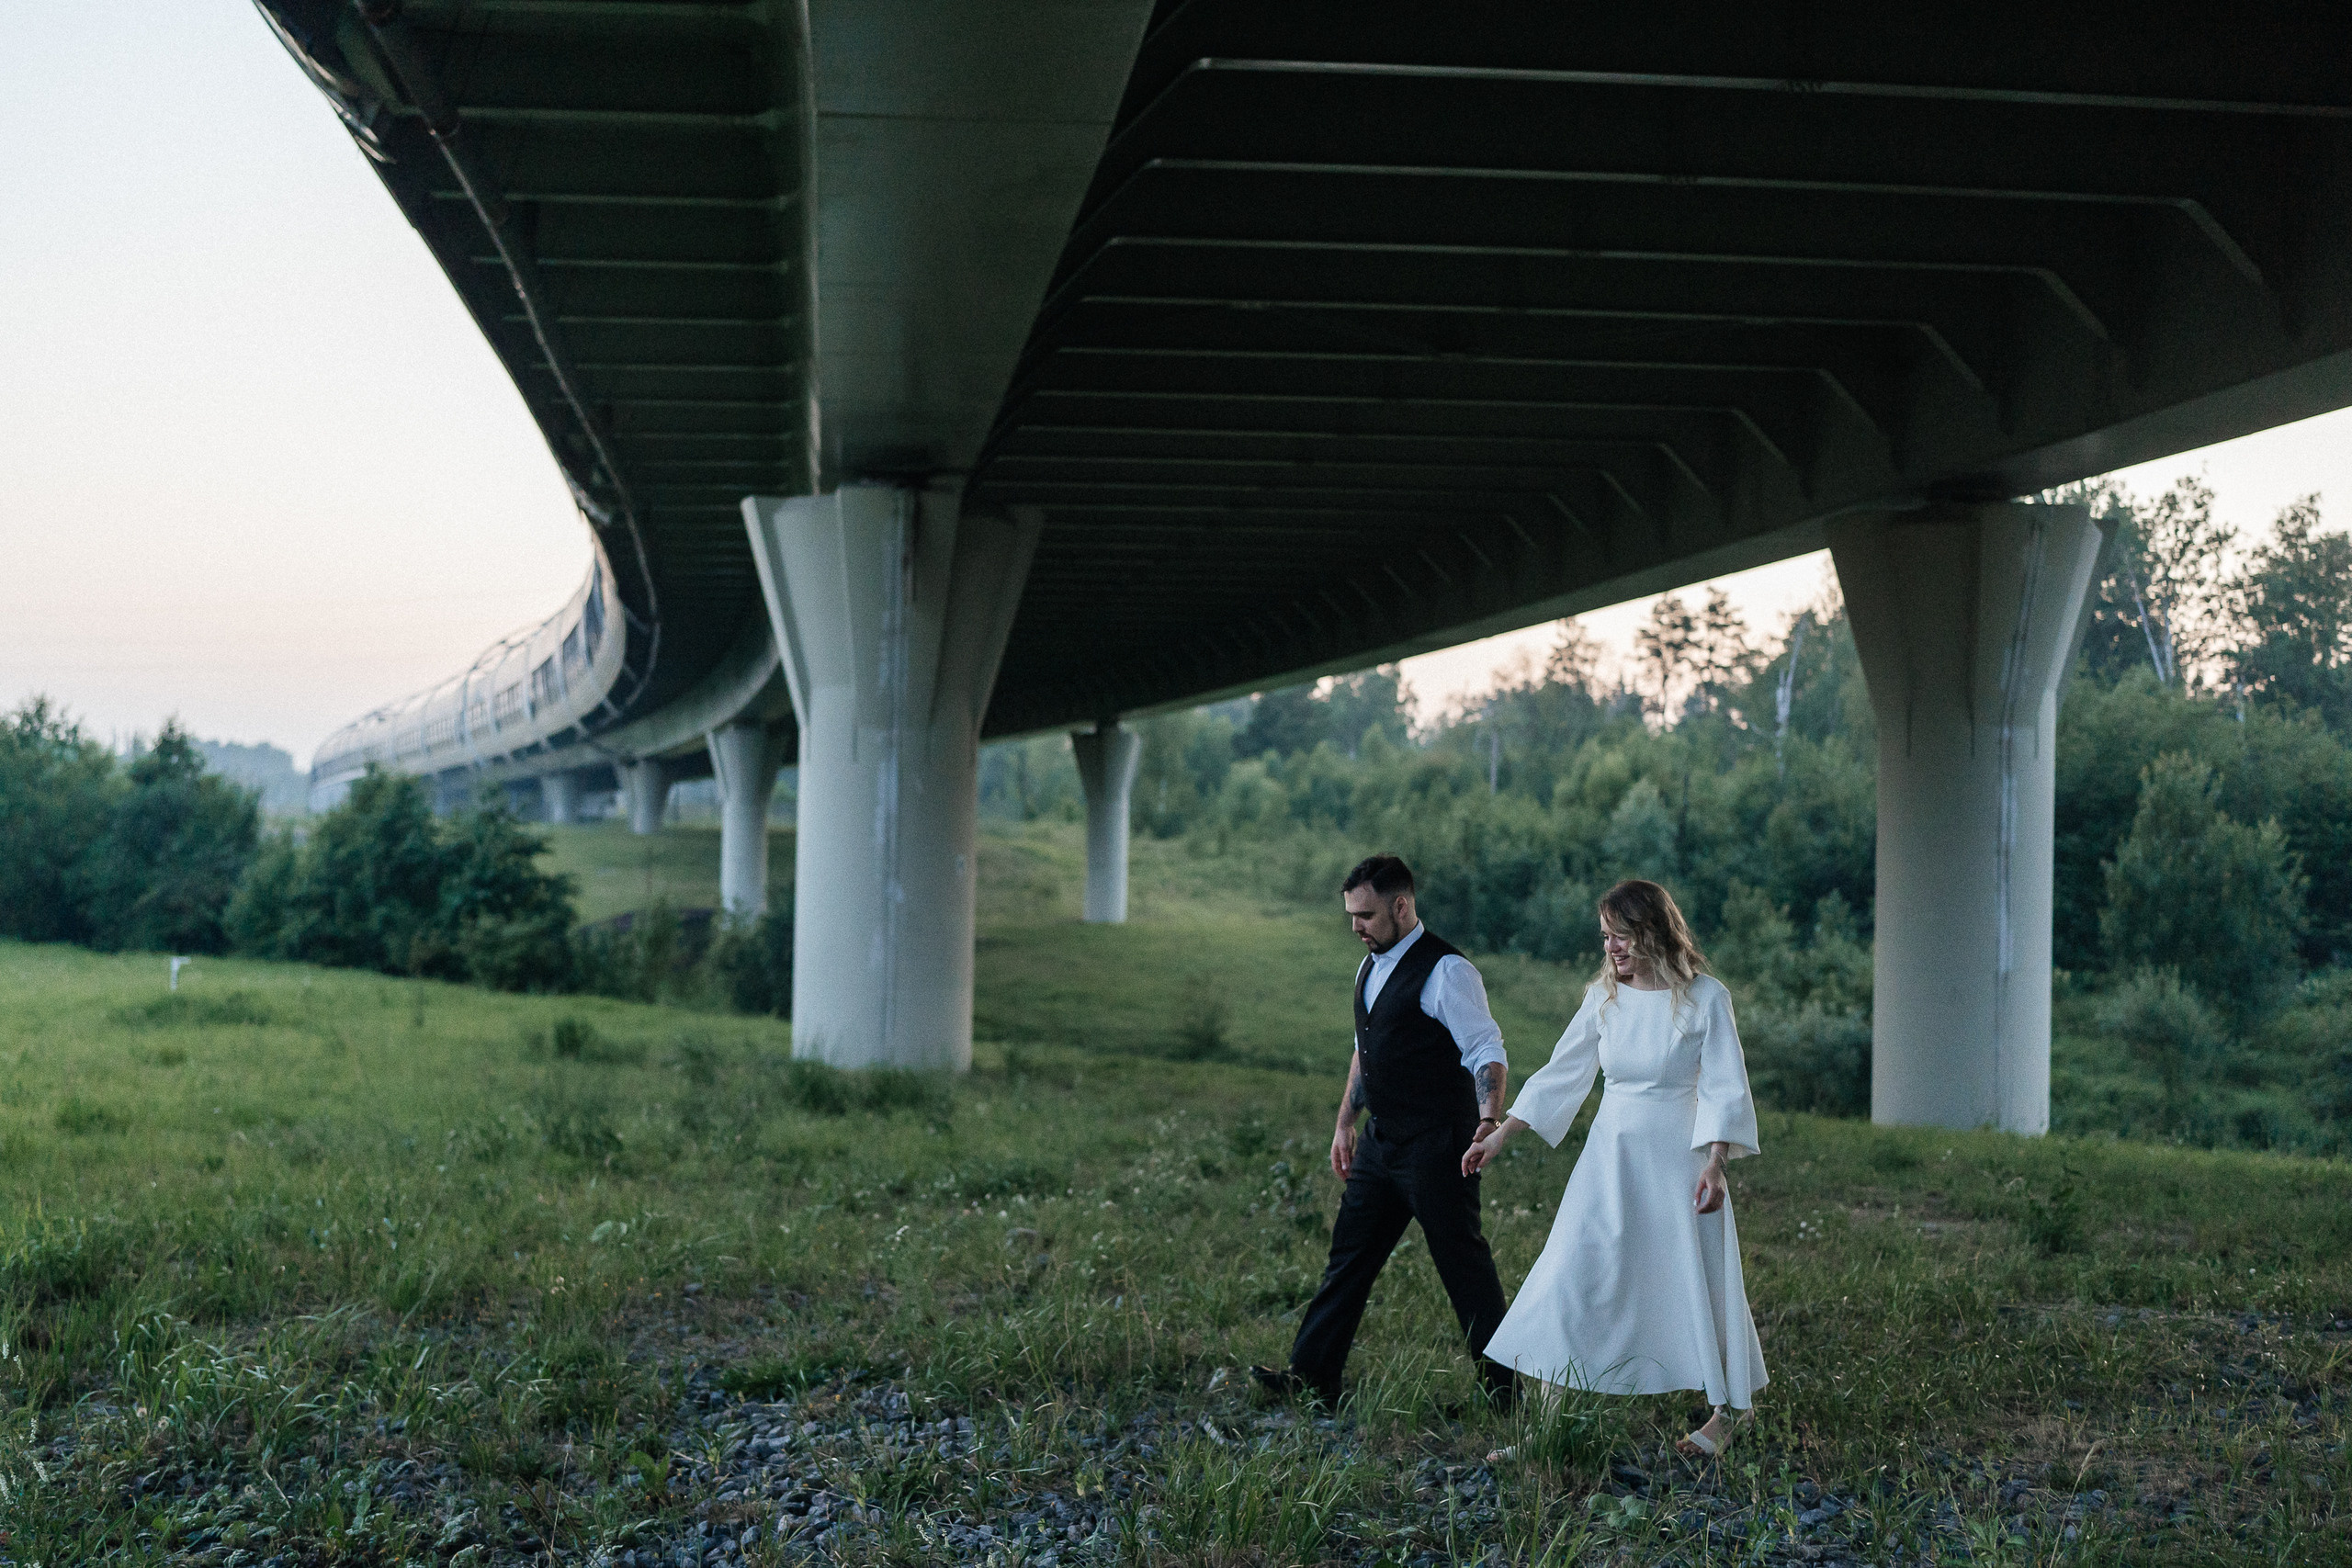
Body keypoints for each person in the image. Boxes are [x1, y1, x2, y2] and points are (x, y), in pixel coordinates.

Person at [1463, 878, 1765, 1458]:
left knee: (1698, 1276)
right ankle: (1541, 1432)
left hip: (1681, 1160)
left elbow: (1727, 1086)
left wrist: (1718, 1165)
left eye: (1620, 936)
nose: (1611, 949)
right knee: (1568, 1275)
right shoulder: (1604, 998)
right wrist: (1502, 1134)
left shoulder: (1707, 998)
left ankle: (1731, 1416)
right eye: (1605, 937)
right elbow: (1562, 1072)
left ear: (1653, 932)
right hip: (1610, 1159)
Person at [1254, 854, 1519, 1411]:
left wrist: (1486, 1123)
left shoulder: (1448, 971)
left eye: (1367, 915)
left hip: (1438, 1148)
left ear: (1402, 906)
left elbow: (1486, 1051)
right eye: (1351, 914)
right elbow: (1366, 1047)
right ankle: (1312, 1381)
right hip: (1381, 1143)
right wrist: (1345, 1122)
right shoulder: (1369, 967)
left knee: (1464, 1269)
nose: (1356, 926)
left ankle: (1507, 1399)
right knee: (1347, 1259)